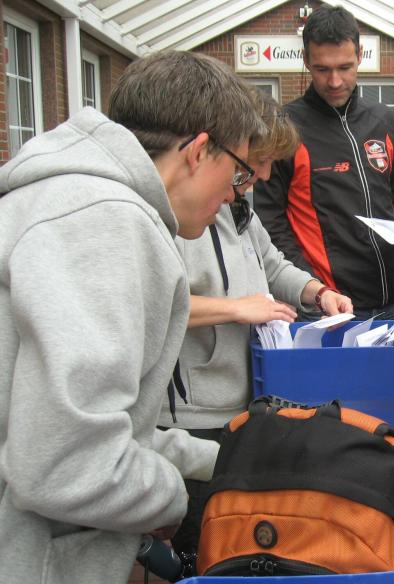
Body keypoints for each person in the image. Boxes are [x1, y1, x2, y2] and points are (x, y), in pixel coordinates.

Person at [0, 50, 264, 583]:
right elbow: (64, 462)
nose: (233, 194)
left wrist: (228, 461)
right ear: (198, 152)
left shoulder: (73, 199)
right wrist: (171, 499)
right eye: (238, 172)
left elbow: (98, 425)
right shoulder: (104, 223)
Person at [161, 92, 353, 555]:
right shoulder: (178, 214)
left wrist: (317, 292)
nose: (263, 176)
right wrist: (236, 308)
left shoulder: (239, 208)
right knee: (201, 536)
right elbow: (158, 305)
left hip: (244, 401)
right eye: (257, 163)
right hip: (190, 416)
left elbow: (272, 263)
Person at [254, 4, 394, 321]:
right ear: (306, 60)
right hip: (329, 309)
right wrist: (311, 287)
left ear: (360, 55)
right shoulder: (285, 128)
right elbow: (270, 223)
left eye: (344, 67)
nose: (334, 81)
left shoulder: (384, 120)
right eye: (322, 69)